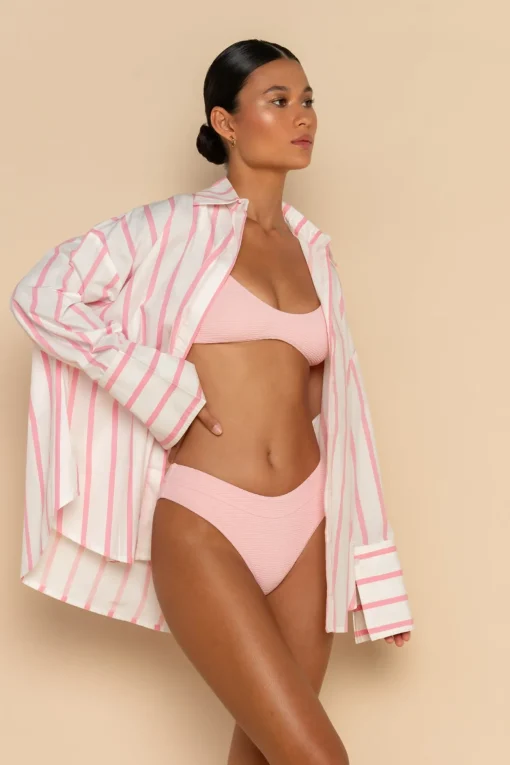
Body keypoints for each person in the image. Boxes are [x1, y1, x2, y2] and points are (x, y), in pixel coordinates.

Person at [10, 39, 413, 765]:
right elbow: (41, 294)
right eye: (278, 101)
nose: (303, 117)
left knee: (264, 756)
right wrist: (151, 383)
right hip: (207, 521)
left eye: (308, 100)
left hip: (308, 524)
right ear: (226, 122)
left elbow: (340, 413)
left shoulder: (315, 252)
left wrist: (374, 571)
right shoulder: (171, 228)